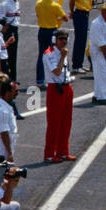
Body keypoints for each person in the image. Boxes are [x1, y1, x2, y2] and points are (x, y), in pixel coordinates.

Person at [42, 30, 75, 162]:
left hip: (66, 87)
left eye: (65, 38)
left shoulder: (63, 52)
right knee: (54, 123)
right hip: (55, 88)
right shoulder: (49, 53)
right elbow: (56, 71)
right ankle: (50, 154)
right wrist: (62, 57)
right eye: (61, 39)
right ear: (55, 40)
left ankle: (62, 151)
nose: (64, 41)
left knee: (66, 122)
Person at [34, 0, 68, 87]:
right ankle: (56, 77)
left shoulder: (38, 3)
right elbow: (65, 18)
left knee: (42, 55)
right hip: (52, 32)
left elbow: (38, 15)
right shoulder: (55, 6)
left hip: (42, 30)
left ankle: (40, 79)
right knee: (55, 55)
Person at [70, 0, 93, 73]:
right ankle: (76, 65)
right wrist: (71, 12)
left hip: (85, 13)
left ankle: (79, 63)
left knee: (83, 39)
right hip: (79, 13)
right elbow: (72, 0)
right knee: (79, 39)